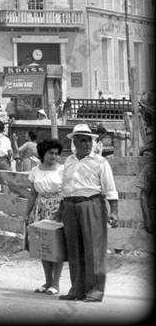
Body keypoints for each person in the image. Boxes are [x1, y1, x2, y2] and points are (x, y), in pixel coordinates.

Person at [55, 124, 118, 302]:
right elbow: (65, 188)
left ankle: (95, 290)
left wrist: (113, 211)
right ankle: (77, 289)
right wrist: (61, 210)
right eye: (82, 140)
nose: (87, 143)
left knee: (94, 248)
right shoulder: (69, 161)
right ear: (74, 141)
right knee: (74, 249)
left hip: (91, 204)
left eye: (89, 140)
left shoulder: (100, 162)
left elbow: (110, 188)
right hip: (70, 206)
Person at [24, 139, 65, 296]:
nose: (54, 156)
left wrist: (61, 210)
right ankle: (47, 281)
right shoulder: (35, 171)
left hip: (56, 209)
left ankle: (56, 283)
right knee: (43, 247)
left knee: (56, 246)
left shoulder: (62, 170)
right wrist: (27, 213)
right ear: (43, 154)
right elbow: (32, 193)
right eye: (50, 153)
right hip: (40, 210)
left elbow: (66, 191)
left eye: (56, 153)